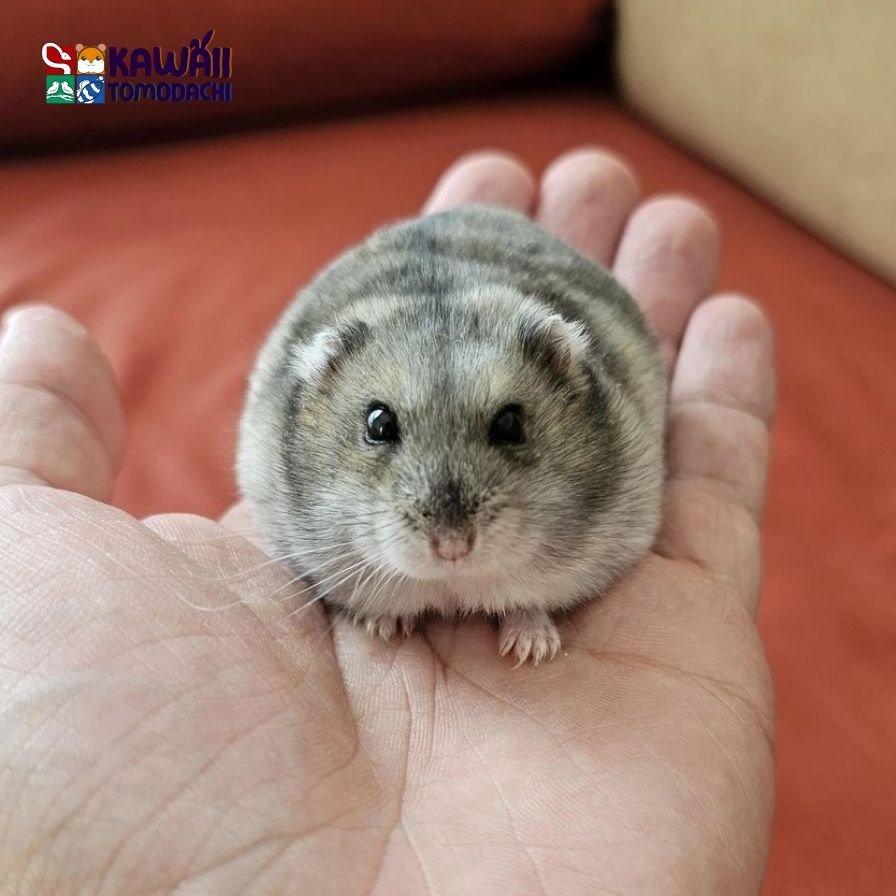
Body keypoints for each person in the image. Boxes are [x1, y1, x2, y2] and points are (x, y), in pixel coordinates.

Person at [0, 148, 775, 894]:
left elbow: (623, 487)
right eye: (381, 428)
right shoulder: (304, 424)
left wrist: (531, 595)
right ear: (334, 410)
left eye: (507, 428)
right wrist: (370, 595)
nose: (448, 531)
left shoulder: (599, 450)